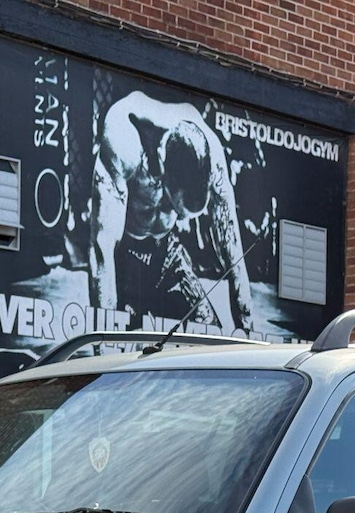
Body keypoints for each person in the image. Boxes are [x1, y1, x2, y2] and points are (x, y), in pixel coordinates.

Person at [89, 91, 253, 332]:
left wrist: (247, 332)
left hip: (167, 251)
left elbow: (234, 255)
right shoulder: (124, 139)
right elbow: (102, 248)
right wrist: (102, 353)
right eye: (171, 204)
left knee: (209, 338)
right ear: (162, 169)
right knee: (130, 355)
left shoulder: (212, 154)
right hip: (125, 256)